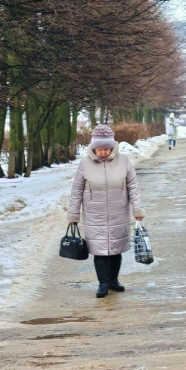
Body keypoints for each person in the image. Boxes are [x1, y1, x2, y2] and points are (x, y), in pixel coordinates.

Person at [67, 125, 145, 298]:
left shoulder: (123, 160)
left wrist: (137, 209)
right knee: (100, 250)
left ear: (112, 147)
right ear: (93, 148)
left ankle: (113, 280)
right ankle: (102, 282)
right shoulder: (84, 163)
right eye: (99, 149)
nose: (102, 152)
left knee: (116, 248)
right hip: (94, 213)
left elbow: (133, 186)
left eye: (106, 149)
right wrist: (73, 215)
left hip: (119, 212)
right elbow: (77, 190)